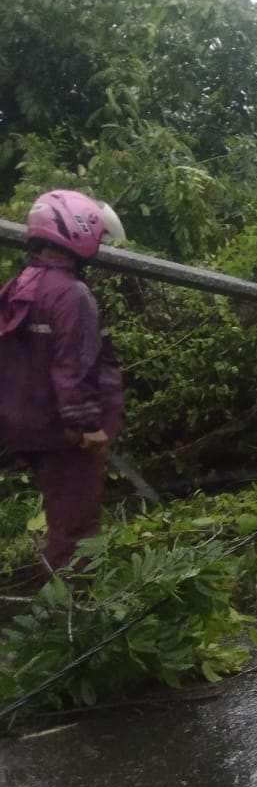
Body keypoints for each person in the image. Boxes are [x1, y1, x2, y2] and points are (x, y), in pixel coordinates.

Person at [0, 190, 127, 573]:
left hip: (27, 422)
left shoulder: (23, 282)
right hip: (64, 433)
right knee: (76, 533)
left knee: (64, 523)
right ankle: (67, 619)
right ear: (77, 233)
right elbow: (73, 366)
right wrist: (85, 425)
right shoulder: (73, 294)